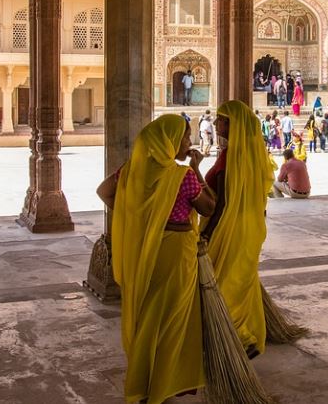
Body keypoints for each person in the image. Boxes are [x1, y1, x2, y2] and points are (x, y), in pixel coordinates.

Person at [96, 114, 216, 403]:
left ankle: (141, 380)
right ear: (169, 141)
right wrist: (197, 168)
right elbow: (208, 208)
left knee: (148, 314)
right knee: (172, 319)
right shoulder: (182, 176)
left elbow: (104, 192)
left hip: (145, 250)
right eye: (185, 137)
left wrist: (138, 215)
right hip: (175, 251)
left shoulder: (132, 170)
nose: (188, 142)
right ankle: (161, 385)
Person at [202, 100, 273, 358]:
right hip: (249, 227)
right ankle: (244, 332)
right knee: (241, 280)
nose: (217, 123)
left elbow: (221, 202)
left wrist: (206, 232)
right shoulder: (251, 155)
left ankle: (238, 337)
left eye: (222, 120)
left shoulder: (231, 158)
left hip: (228, 227)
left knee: (224, 283)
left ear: (234, 125)